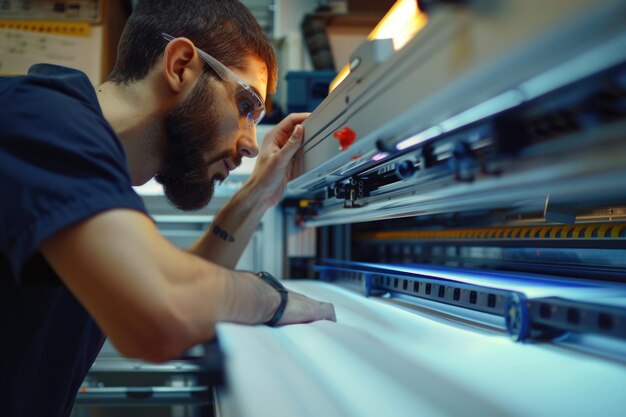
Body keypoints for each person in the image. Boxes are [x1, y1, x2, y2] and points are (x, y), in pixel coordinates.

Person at [0, 1, 336, 416]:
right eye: (246, 106)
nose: (251, 143)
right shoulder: (41, 119)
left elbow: (173, 285)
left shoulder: (78, 148)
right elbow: (162, 311)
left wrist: (260, 193)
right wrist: (273, 299)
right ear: (180, 65)